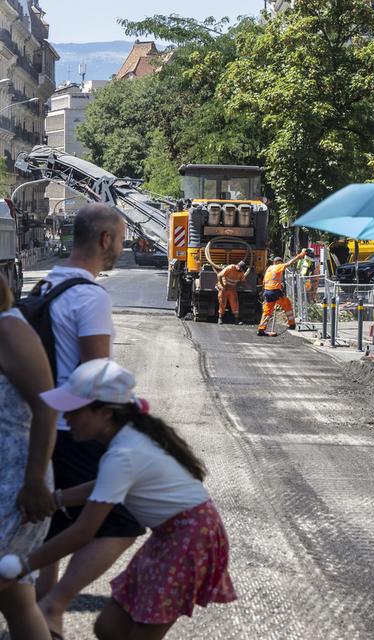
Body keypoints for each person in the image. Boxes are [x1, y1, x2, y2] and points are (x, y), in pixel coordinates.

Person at [0, 358, 237, 640]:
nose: (66, 418)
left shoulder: (122, 456)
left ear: (107, 413)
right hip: (173, 535)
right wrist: (57, 499)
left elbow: (82, 532)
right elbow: (101, 486)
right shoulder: (128, 437)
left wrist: (23, 566)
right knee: (108, 629)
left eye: (75, 411)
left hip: (190, 539)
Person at [35, 203, 145, 640]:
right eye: (120, 239)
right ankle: (54, 603)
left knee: (50, 519)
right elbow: (95, 375)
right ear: (104, 240)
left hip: (45, 424)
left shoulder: (48, 283)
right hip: (79, 429)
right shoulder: (91, 295)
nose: (122, 246)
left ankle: (47, 619)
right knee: (123, 518)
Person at [0, 274, 57, 640]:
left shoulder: (8, 329)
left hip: (14, 486)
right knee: (18, 600)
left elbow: (47, 406)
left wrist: (35, 481)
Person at [257, 250, 307, 336]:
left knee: (267, 311)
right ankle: (292, 324)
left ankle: (261, 329)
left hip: (267, 291)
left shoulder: (269, 268)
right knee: (287, 305)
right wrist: (299, 256)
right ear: (277, 262)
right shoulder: (278, 266)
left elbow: (264, 282)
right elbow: (289, 263)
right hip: (275, 291)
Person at [216, 260, 247, 325]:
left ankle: (236, 320)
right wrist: (223, 286)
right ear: (238, 266)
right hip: (224, 288)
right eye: (241, 269)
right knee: (222, 302)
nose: (241, 271)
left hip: (232, 288)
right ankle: (220, 318)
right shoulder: (230, 268)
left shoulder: (241, 272)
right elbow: (219, 276)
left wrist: (245, 286)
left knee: (235, 302)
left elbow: (243, 280)